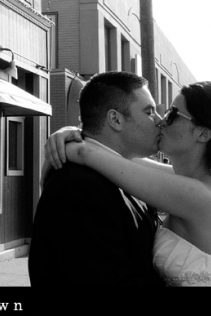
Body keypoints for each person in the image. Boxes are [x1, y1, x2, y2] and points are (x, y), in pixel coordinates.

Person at [46, 81, 211, 287]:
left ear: (202, 134)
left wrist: (65, 145)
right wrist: (74, 132)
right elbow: (116, 157)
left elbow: (88, 154)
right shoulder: (188, 181)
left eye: (172, 114)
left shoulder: (204, 196)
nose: (161, 121)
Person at [28, 71, 166, 287]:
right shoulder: (79, 188)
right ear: (115, 119)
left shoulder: (125, 173)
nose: (160, 121)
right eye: (149, 112)